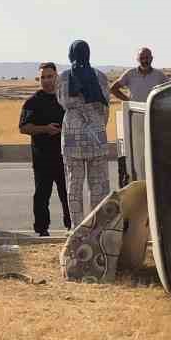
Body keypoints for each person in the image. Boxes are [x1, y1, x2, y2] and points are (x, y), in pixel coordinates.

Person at [55, 40, 114, 223]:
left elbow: (61, 102)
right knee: (99, 185)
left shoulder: (64, 77)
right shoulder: (101, 77)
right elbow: (106, 108)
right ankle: (98, 226)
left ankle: (77, 227)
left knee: (74, 183)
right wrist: (97, 125)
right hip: (96, 133)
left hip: (72, 135)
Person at [19, 62, 71, 236]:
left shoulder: (66, 99)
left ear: (57, 77)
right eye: (43, 77)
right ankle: (42, 230)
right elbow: (24, 127)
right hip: (43, 158)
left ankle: (72, 227)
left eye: (50, 76)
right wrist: (45, 129)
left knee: (68, 195)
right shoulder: (33, 102)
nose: (46, 80)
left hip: (66, 157)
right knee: (42, 196)